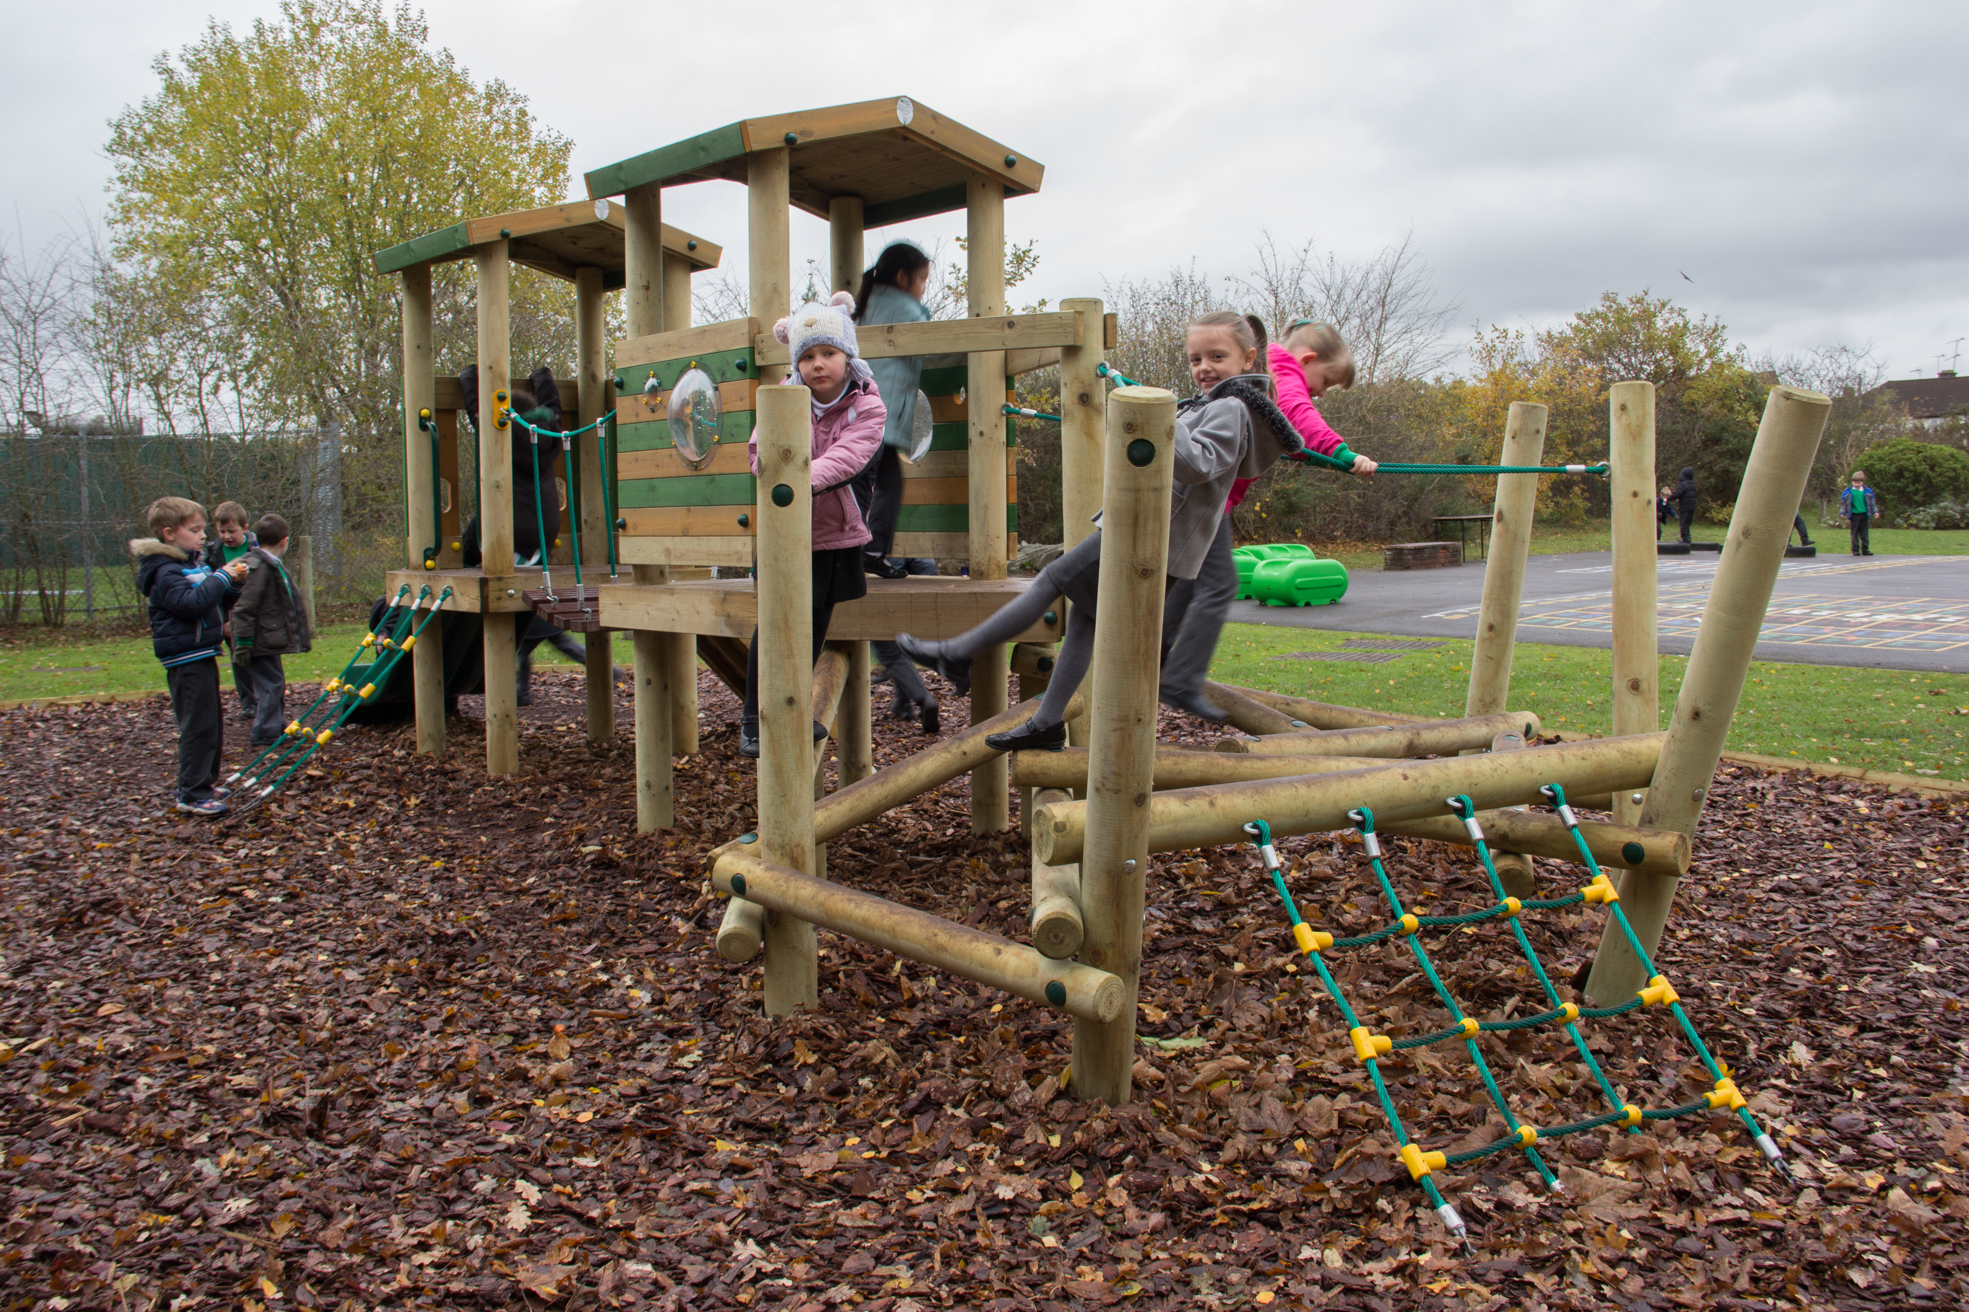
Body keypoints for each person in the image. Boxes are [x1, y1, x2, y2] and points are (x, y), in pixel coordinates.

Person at [896, 310, 1299, 751]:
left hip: (1148, 535)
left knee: (1051, 577)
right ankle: (1047, 722)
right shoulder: (1218, 403)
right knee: (1085, 617)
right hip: (1149, 533)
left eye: (1217, 356)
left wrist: (1158, 419)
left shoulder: (1231, 408)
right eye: (1195, 358)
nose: (1204, 367)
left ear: (1248, 358)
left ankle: (957, 654)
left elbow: (1200, 463)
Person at [1159, 318, 1377, 721]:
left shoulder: (1264, 377)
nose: (1319, 393)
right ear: (1308, 359)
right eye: (1323, 383)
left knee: (1188, 583)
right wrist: (1342, 454)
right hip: (1207, 504)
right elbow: (1298, 414)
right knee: (1220, 585)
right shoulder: (1282, 370)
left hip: (1205, 502)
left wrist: (1320, 456)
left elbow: (1286, 437)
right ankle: (1178, 678)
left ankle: (1158, 660)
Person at [739, 292, 886, 757]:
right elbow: (761, 447)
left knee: (814, 627)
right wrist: (772, 467)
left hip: (833, 536)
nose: (817, 364)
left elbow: (848, 457)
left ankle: (794, 708)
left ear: (848, 356)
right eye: (806, 356)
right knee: (775, 623)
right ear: (796, 362)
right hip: (785, 534)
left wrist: (799, 478)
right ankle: (753, 720)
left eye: (828, 353)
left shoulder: (868, 407)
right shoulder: (784, 400)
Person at [849, 241, 961, 576]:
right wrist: (969, 348)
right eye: (922, 280)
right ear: (902, 277)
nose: (924, 289)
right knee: (873, 484)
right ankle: (858, 549)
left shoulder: (867, 304)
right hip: (877, 416)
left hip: (858, 412)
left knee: (875, 482)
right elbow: (935, 348)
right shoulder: (904, 308)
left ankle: (867, 549)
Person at [132, 497, 250, 817]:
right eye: (195, 530)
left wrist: (233, 584)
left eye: (202, 529)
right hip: (185, 660)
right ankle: (192, 793)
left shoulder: (191, 564)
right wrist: (222, 576)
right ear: (169, 533)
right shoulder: (164, 571)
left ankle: (204, 783)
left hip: (202, 653)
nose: (202, 536)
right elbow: (192, 604)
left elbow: (216, 599)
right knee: (197, 726)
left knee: (211, 723)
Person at [229, 513, 312, 747]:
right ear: (285, 541)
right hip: (257, 639)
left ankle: (274, 725)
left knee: (275, 681)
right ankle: (265, 731)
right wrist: (244, 642)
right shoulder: (257, 566)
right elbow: (244, 607)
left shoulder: (266, 564)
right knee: (270, 684)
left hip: (266, 637)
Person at [870, 557, 943, 733]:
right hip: (924, 577)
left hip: (886, 581)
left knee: (890, 651)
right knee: (900, 648)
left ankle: (923, 700)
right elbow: (925, 565)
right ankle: (902, 705)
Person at [202, 501, 258, 722]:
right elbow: (210, 589)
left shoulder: (257, 549)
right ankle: (248, 702)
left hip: (254, 612)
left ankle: (268, 697)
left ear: (245, 528)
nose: (226, 536)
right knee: (239, 658)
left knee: (261, 657)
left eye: (231, 531)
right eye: (221, 531)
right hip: (228, 614)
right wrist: (222, 620)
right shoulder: (211, 554)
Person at [1841, 470, 1878, 556]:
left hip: (1864, 515)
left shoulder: (1867, 491)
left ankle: (1865, 549)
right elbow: (1844, 504)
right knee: (1854, 533)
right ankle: (1855, 550)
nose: (1856, 484)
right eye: (1855, 482)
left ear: (1862, 482)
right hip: (1854, 515)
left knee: (1864, 533)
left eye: (1858, 482)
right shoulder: (1848, 492)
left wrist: (1875, 511)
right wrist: (1843, 512)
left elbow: (1872, 503)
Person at [1670, 467, 1698, 543]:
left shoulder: (1682, 484)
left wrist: (1667, 498)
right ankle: (1687, 538)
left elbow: (1677, 494)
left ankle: (1685, 539)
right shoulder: (1692, 484)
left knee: (1683, 523)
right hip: (1691, 507)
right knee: (1687, 523)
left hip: (1685, 507)